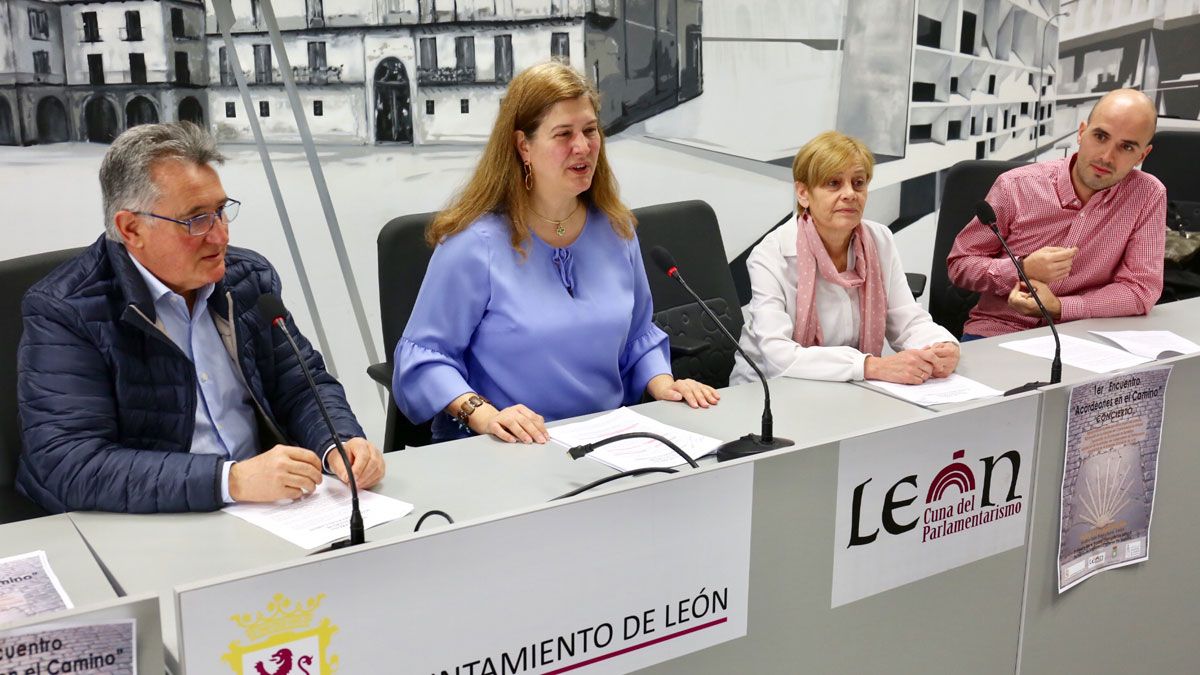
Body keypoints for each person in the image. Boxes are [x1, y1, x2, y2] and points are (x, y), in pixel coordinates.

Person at [16, 122, 384, 514]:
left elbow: (302, 385)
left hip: (267, 511)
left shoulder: (247, 280)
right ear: (131, 228)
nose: (220, 236)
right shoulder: (66, 310)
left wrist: (338, 442)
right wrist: (230, 480)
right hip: (140, 519)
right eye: (196, 220)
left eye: (221, 211)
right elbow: (71, 464)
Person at [394, 61, 718, 444]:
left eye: (590, 130)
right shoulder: (472, 244)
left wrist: (663, 384)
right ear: (523, 146)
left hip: (608, 442)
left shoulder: (617, 230)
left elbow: (637, 336)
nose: (582, 147)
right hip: (505, 448)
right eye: (563, 134)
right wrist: (485, 416)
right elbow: (424, 357)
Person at [731, 131, 959, 385]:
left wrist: (942, 345)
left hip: (848, 386)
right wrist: (869, 366)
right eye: (833, 183)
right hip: (767, 391)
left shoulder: (879, 239)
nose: (850, 193)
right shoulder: (771, 254)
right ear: (803, 193)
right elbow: (778, 356)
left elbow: (907, 320)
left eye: (859, 183)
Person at [947, 88, 1166, 338]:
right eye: (1101, 136)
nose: (1107, 157)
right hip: (1001, 330)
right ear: (1082, 132)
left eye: (1126, 147)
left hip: (1085, 335)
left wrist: (1060, 307)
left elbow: (1140, 289)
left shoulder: (1147, 195)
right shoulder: (1015, 186)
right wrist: (1023, 269)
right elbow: (960, 265)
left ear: (1142, 155)